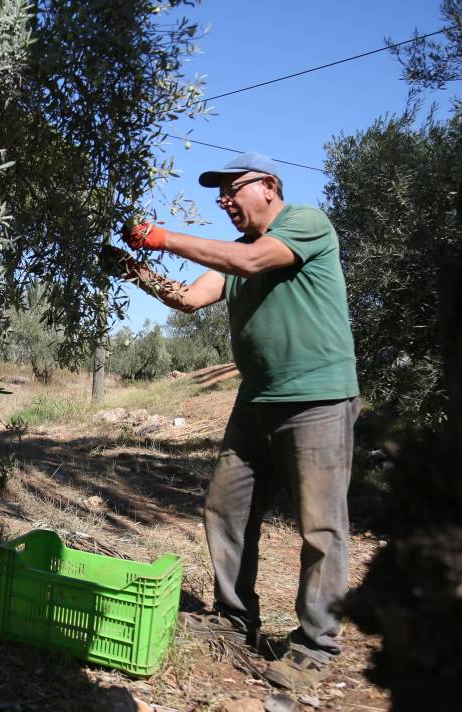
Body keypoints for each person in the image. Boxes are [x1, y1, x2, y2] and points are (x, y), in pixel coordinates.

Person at [115, 152, 359, 690]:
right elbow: (189, 299)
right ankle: (234, 620)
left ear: (269, 186)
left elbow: (250, 264)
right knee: (225, 507)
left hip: (316, 398)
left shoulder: (304, 224)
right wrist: (135, 272)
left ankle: (316, 645)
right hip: (257, 401)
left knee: (320, 525)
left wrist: (162, 237)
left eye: (233, 189)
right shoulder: (239, 253)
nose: (224, 200)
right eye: (218, 193)